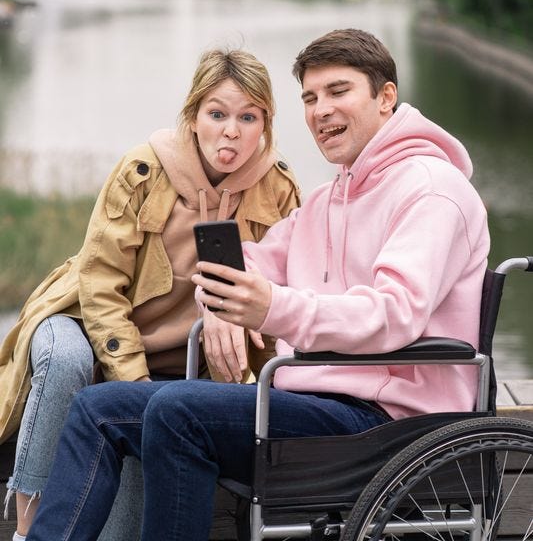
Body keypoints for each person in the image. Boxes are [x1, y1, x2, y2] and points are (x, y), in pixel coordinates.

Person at [26, 28, 490, 541]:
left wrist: (270, 307)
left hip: (390, 421)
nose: (321, 110)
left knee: (180, 410)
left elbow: (394, 313)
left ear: (385, 97)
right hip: (314, 399)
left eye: (338, 91)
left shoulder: (431, 190)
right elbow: (246, 263)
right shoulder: (328, 199)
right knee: (98, 409)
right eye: (310, 98)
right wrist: (220, 307)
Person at [0, 48, 300, 541]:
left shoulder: (279, 189)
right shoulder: (144, 170)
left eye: (249, 117)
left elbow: (279, 305)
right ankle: (25, 526)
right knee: (66, 361)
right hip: (86, 323)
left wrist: (281, 393)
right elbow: (100, 283)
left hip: (181, 365)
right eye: (217, 114)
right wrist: (133, 381)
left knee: (127, 519)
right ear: (193, 116)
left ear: (265, 123)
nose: (231, 131)